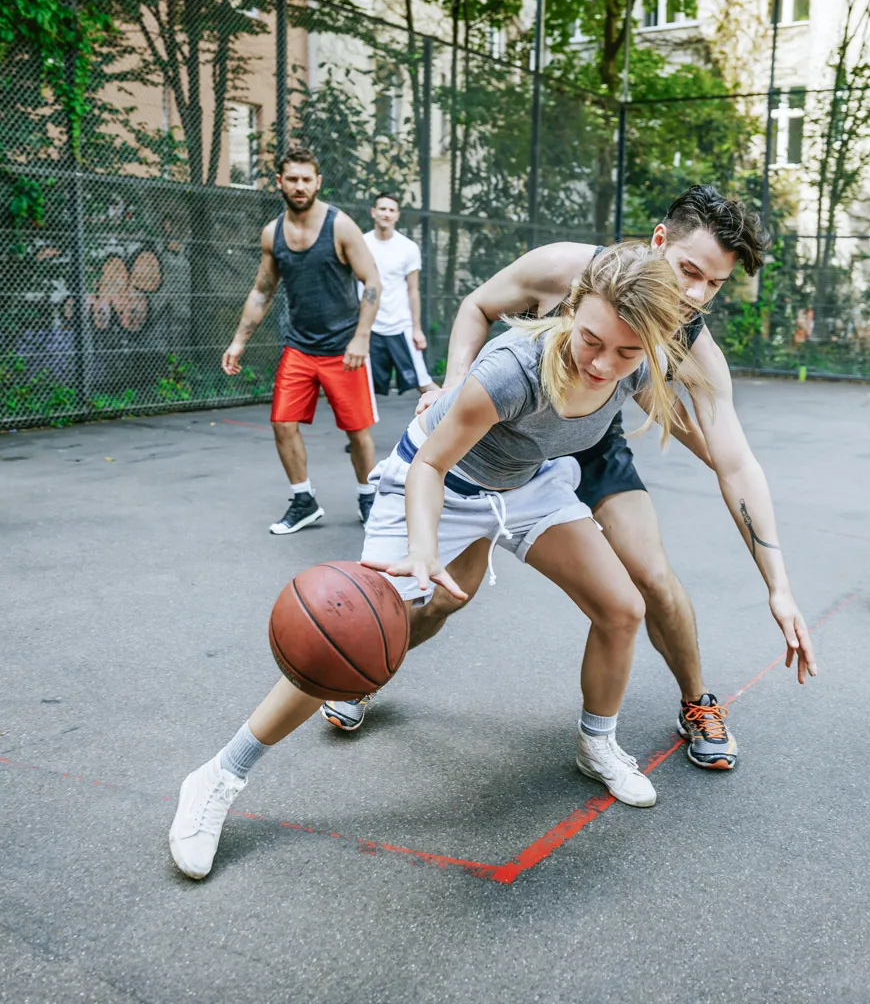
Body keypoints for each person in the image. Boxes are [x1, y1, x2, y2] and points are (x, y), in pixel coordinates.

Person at [169, 243, 813, 881]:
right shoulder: (512, 369)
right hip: (442, 482)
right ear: (571, 308)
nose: (602, 364)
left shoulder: (636, 363)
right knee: (352, 627)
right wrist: (423, 547)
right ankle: (220, 774)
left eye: (625, 352)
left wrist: (779, 588)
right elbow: (430, 465)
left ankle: (597, 744)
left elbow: (728, 459)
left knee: (622, 608)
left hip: (528, 485)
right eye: (591, 340)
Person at [322, 186, 817, 771]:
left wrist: (778, 586)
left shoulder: (689, 339)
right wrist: (457, 384)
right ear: (659, 241)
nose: (695, 295)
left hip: (590, 438)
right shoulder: (565, 268)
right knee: (446, 596)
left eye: (714, 284)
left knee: (650, 579)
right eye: (689, 271)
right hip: (503, 433)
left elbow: (733, 461)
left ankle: (696, 702)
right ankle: (362, 669)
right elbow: (477, 306)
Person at [221, 146, 383, 531]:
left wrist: (361, 339)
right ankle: (303, 499)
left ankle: (368, 496)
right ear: (280, 182)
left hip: (345, 349)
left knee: (357, 432)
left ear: (317, 182)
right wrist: (238, 341)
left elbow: (373, 282)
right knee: (282, 423)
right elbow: (262, 290)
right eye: (292, 179)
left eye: (306, 179)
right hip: (300, 346)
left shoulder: (340, 226)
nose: (299, 186)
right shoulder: (272, 233)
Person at [363, 193, 438, 398]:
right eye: (382, 209)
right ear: (373, 212)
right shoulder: (360, 244)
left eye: (391, 210)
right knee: (360, 386)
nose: (386, 214)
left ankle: (456, 417)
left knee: (424, 384)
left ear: (397, 215)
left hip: (400, 325)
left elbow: (413, 290)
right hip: (368, 328)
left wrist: (417, 329)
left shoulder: (408, 248)